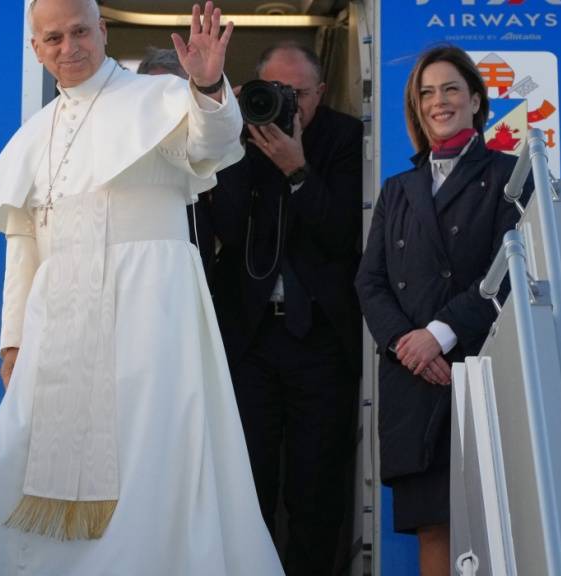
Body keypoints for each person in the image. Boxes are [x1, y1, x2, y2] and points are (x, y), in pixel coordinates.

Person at [0, 1, 283, 575]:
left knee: (152, 453)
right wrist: (13, 339)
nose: (68, 48)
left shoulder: (159, 98)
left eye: (79, 32)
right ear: (35, 48)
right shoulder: (37, 131)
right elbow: (25, 239)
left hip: (150, 310)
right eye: (53, 39)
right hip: (62, 320)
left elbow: (215, 142)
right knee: (23, 454)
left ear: (102, 31)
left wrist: (207, 84)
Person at [354, 44, 528, 576]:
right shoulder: (397, 189)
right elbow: (371, 280)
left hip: (481, 372)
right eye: (426, 93)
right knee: (434, 526)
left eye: (451, 88)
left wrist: (441, 334)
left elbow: (510, 271)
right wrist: (409, 345)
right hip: (414, 380)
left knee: (497, 524)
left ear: (476, 100)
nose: (439, 101)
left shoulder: (510, 176)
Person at [210, 41, 363, 573]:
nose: (284, 104)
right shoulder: (236, 136)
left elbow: (345, 236)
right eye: (272, 91)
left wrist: (297, 169)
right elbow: (224, 229)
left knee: (315, 487)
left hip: (319, 339)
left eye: (296, 93)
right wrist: (236, 140)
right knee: (247, 482)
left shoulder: (345, 139)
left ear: (320, 92)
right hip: (251, 340)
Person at [136, 46, 216, 281]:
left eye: (176, 95)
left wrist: (216, 126)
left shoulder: (211, 147)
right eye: (156, 96)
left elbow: (234, 232)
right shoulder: (123, 150)